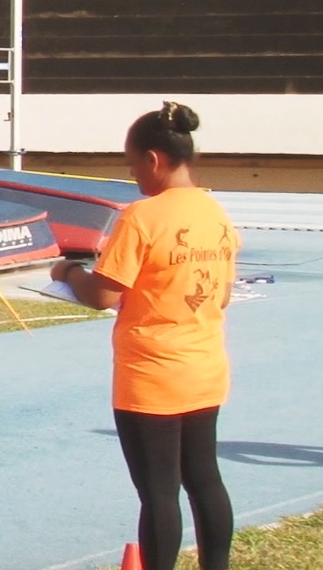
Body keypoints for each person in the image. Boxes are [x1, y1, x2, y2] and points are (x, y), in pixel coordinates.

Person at [50, 102, 236, 570]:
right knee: (204, 478)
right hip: (205, 368)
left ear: (153, 160)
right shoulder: (216, 213)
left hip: (151, 375)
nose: (132, 174)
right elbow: (225, 293)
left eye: (132, 163)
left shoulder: (142, 216)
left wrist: (69, 271)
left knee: (158, 492)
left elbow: (104, 294)